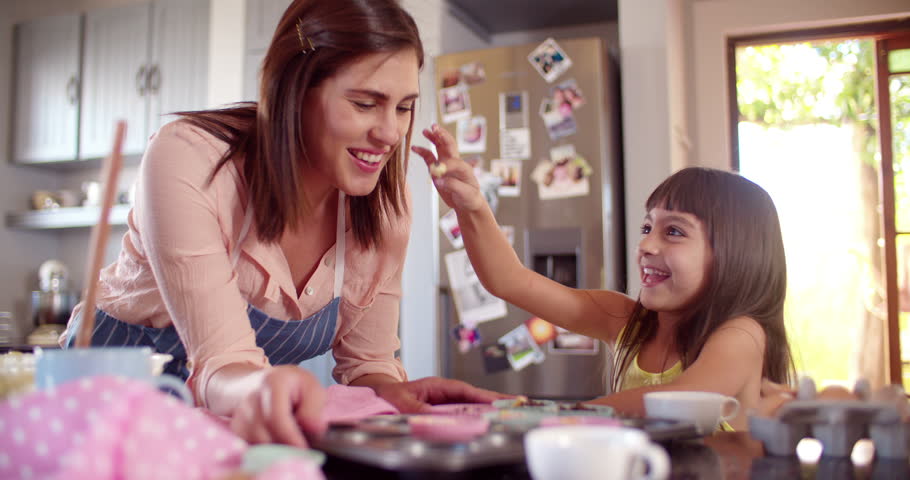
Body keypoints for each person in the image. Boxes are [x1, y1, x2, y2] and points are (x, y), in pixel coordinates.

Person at [59, 0, 502, 447]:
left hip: (217, 427)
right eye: (366, 104)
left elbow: (367, 362)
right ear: (296, 90)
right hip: (93, 412)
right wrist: (267, 389)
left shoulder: (384, 205)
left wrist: (396, 393)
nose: (390, 133)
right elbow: (221, 363)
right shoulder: (190, 159)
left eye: (404, 108)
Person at [412, 125, 795, 431]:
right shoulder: (629, 321)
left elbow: (686, 400)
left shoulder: (742, 334)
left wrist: (539, 414)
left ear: (735, 255)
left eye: (673, 231)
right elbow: (509, 280)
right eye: (647, 227)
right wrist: (473, 206)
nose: (646, 244)